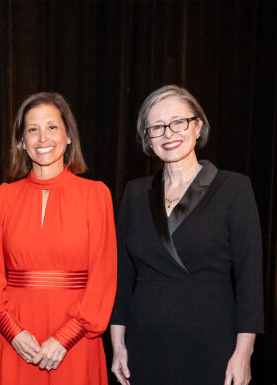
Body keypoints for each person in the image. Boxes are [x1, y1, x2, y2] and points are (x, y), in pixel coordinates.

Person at [110, 85, 264, 385]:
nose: (168, 133)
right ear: (147, 138)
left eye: (178, 122)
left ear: (198, 127)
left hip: (211, 342)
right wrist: (117, 344)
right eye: (156, 127)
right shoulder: (135, 192)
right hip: (145, 343)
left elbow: (250, 280)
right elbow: (122, 275)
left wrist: (243, 353)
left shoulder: (235, 188)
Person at [0, 92, 117, 384]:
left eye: (52, 127)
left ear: (68, 137)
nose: (43, 138)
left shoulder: (96, 194)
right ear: (21, 141)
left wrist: (65, 337)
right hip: (17, 340)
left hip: (76, 342)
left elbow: (104, 277)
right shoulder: (3, 197)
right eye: (32, 130)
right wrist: (12, 333)